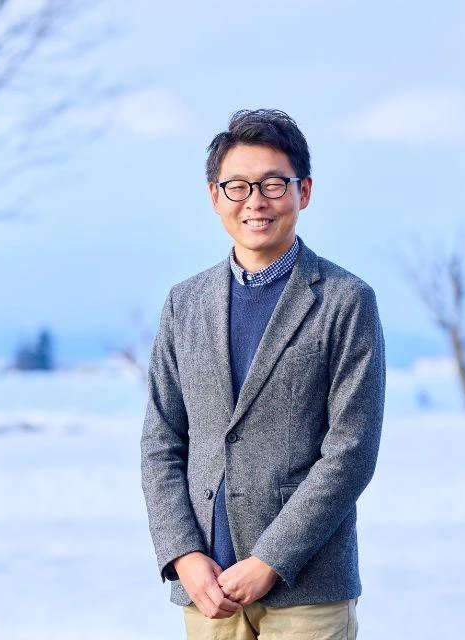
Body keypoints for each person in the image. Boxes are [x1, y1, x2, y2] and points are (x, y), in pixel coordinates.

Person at [141, 108, 385, 639]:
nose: (255, 201)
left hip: (307, 590)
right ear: (215, 196)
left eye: (274, 184)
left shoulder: (346, 301)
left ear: (304, 191)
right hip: (208, 589)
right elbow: (162, 441)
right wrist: (183, 555)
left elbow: (351, 451)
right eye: (238, 186)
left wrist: (271, 559)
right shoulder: (185, 303)